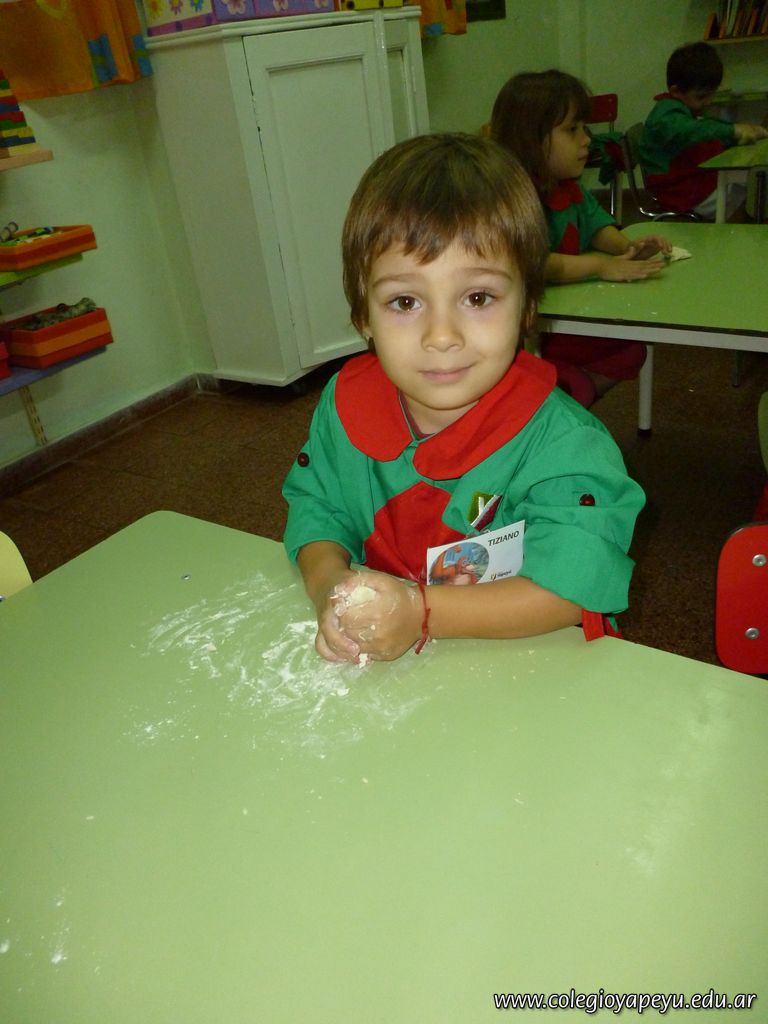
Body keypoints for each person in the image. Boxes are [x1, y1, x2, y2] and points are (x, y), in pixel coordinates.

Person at [282, 133, 645, 664]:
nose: (441, 336)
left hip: (530, 665)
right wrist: (330, 588)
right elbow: (318, 507)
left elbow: (573, 587)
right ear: (363, 315)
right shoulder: (344, 405)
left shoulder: (566, 445)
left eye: (477, 297)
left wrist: (421, 613)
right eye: (405, 302)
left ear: (527, 306)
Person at [491, 69, 671, 409]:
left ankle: (569, 394)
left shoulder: (568, 186)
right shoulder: (511, 199)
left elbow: (595, 225)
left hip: (570, 314)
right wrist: (601, 266)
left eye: (584, 128)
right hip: (534, 328)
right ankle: (559, 395)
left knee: (634, 350)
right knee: (581, 379)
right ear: (531, 139)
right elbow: (535, 263)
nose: (587, 139)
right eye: (572, 130)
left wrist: (627, 248)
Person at [640, 41, 768, 219]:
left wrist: (737, 134)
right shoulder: (665, 116)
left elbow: (706, 132)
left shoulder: (680, 110)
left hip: (692, 185)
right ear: (676, 91)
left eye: (711, 94)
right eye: (701, 97)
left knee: (753, 179)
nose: (708, 102)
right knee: (756, 181)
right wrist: (733, 131)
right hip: (684, 195)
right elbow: (693, 131)